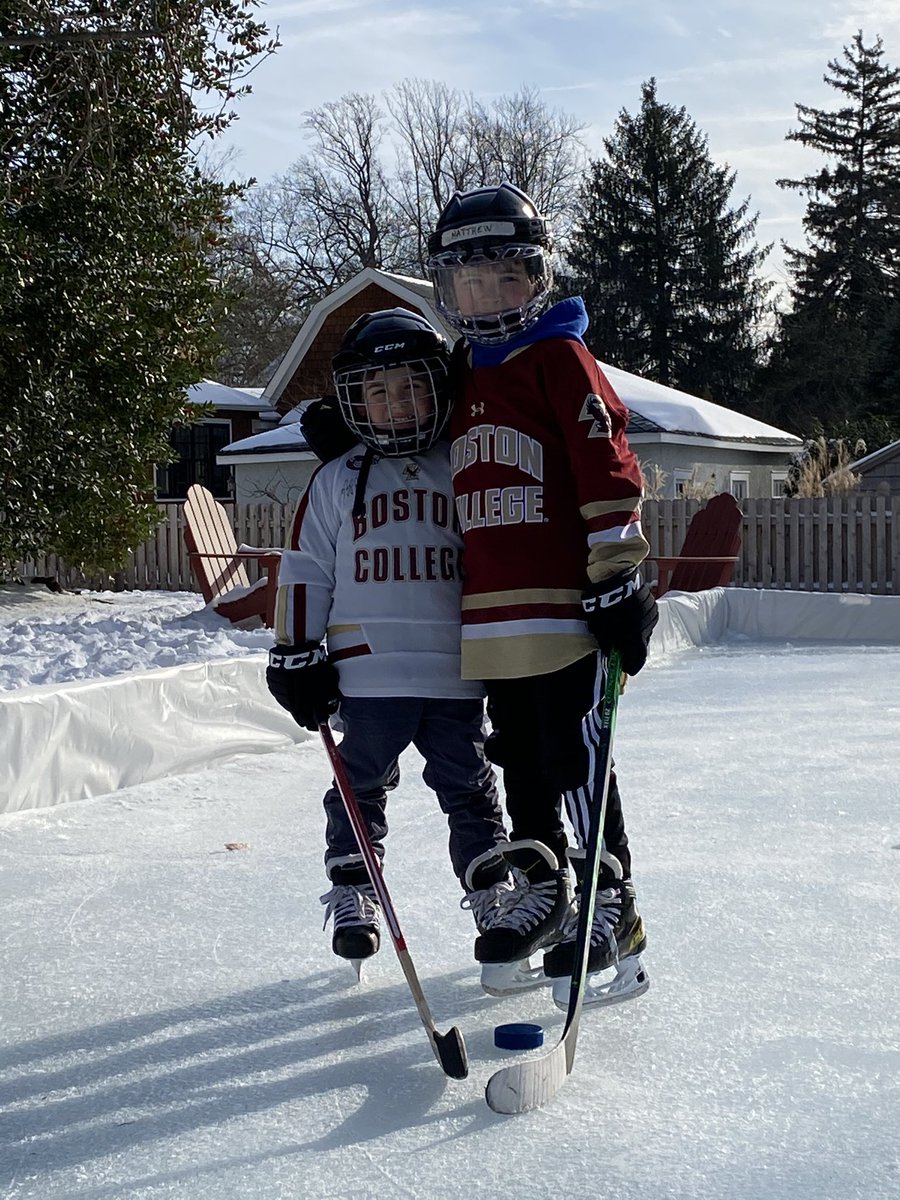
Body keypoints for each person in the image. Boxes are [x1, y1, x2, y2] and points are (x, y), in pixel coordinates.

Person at [425, 182, 659, 1002]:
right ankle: (547, 890)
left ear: (537, 278)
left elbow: (608, 466)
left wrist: (619, 573)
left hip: (566, 614)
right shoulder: (457, 373)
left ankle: (610, 901)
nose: (487, 297)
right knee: (519, 762)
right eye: (469, 282)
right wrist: (339, 427)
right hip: (492, 623)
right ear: (446, 289)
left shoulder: (560, 357)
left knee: (577, 758)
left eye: (505, 277)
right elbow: (401, 421)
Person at [265, 308, 515, 969]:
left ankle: (493, 890)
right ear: (353, 402)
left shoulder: (465, 465)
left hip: (454, 670)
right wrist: (295, 652)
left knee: (468, 785)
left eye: (410, 387)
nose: (395, 405)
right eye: (377, 392)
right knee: (357, 781)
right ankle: (354, 888)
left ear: (439, 388)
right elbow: (306, 570)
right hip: (368, 672)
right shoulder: (335, 478)